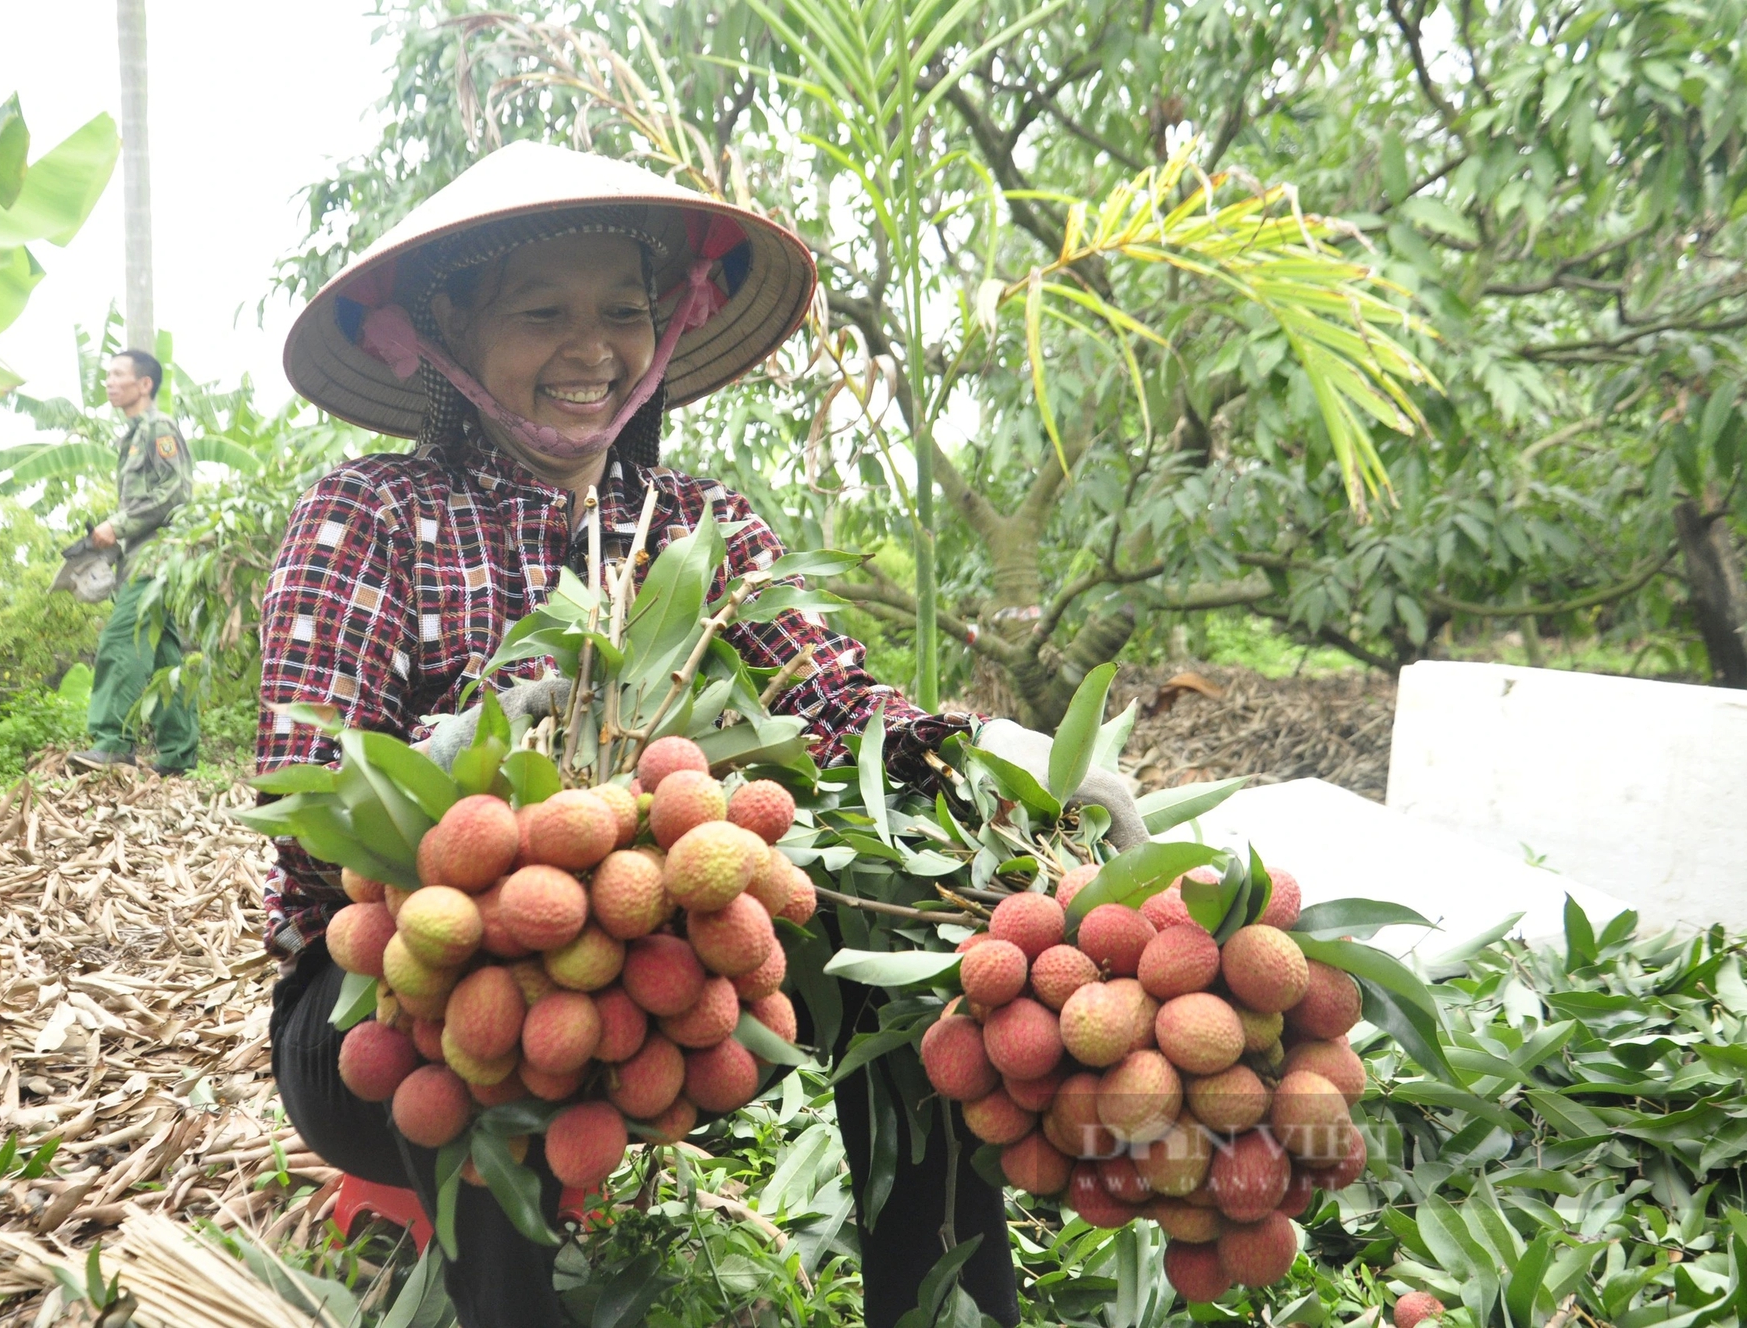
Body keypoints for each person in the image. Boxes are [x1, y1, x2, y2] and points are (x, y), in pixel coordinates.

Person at [258, 141, 1149, 1328]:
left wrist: (999, 754)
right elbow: (310, 803)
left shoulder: (695, 524)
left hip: (660, 966)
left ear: (666, 329)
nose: (591, 348)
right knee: (471, 1000)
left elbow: (837, 711)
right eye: (541, 311)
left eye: (621, 311)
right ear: (441, 335)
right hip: (382, 1001)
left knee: (938, 961)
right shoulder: (366, 514)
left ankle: (943, 1307)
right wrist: (479, 757)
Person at [68, 349, 200, 776]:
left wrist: (118, 525)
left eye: (118, 374)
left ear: (145, 384)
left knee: (121, 641)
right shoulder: (133, 434)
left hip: (157, 557)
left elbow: (177, 491)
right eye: (107, 374)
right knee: (165, 656)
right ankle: (179, 756)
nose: (109, 381)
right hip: (144, 558)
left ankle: (112, 743)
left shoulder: (159, 427)